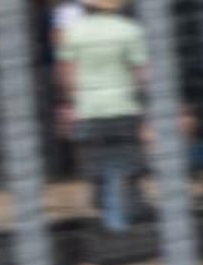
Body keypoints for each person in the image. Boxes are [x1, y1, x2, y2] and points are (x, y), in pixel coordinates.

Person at [56, 0, 149, 232]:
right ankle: (121, 219)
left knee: (101, 166)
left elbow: (67, 74)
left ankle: (113, 217)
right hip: (123, 107)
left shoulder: (74, 33)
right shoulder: (129, 30)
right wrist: (144, 105)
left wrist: (69, 104)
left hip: (89, 109)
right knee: (123, 165)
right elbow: (142, 73)